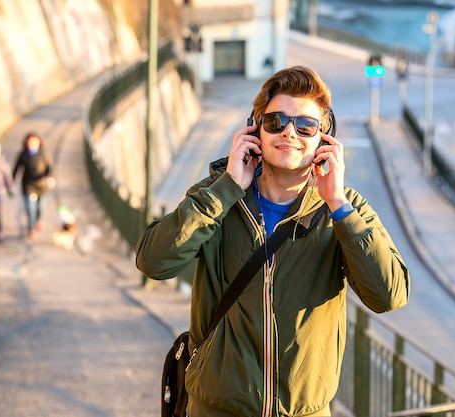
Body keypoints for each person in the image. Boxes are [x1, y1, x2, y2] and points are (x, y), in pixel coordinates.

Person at [135, 66, 410, 417]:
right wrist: (226, 189)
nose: (289, 132)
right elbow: (153, 262)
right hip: (216, 408)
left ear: (324, 140)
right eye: (275, 121)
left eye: (305, 125)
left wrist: (339, 206)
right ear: (255, 130)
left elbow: (389, 295)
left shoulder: (342, 210)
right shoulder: (217, 197)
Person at [12, 131, 55, 239]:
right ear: (26, 143)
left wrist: (49, 177)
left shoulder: (44, 154)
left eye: (34, 142)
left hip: (41, 186)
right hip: (28, 185)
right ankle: (31, 228)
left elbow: (49, 168)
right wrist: (12, 180)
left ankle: (38, 220)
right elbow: (17, 168)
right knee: (30, 207)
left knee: (40, 208)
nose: (32, 144)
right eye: (30, 142)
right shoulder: (23, 155)